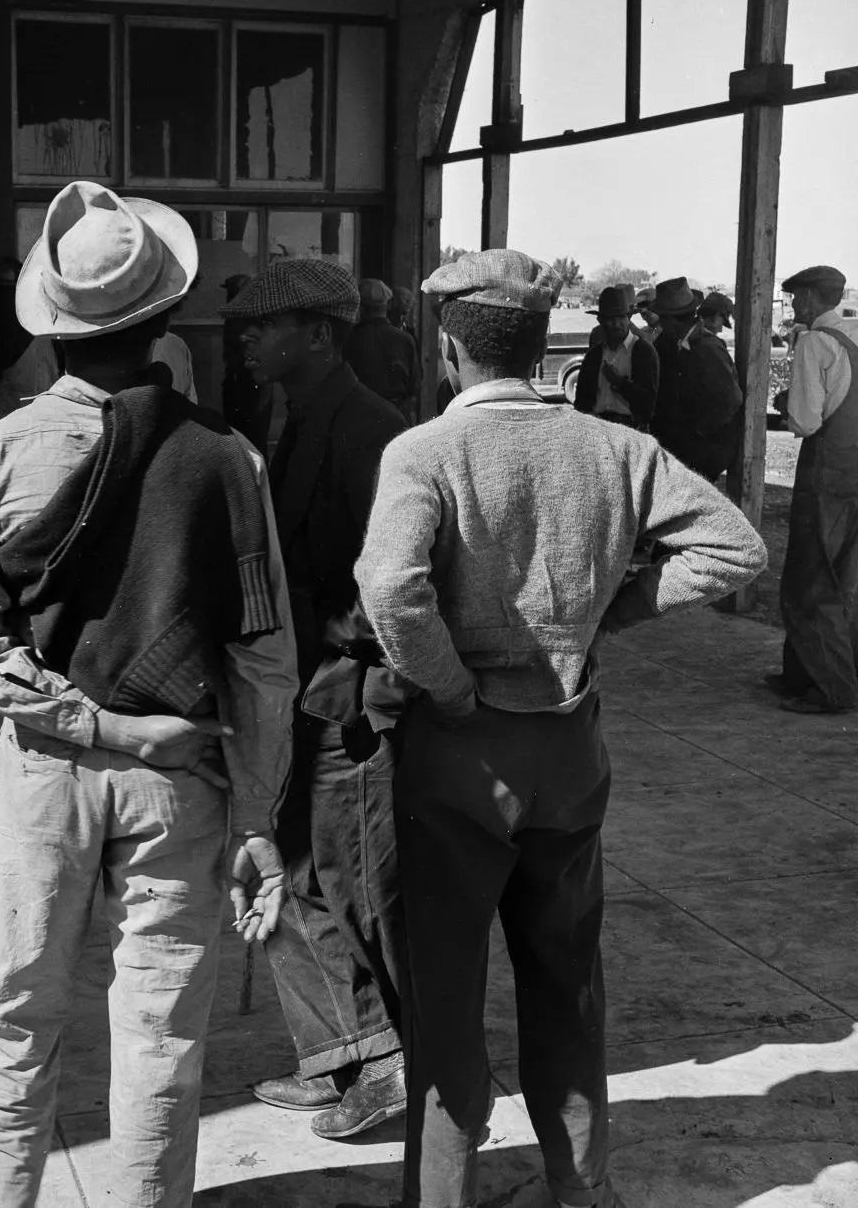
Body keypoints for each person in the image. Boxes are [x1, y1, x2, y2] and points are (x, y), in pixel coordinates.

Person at [354, 248, 767, 1208]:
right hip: (571, 744)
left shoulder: (425, 452)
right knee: (567, 978)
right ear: (545, 346)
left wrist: (449, 688)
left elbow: (389, 586)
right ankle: (580, 1189)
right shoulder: (614, 447)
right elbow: (734, 546)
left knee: (447, 995)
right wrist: (614, 614)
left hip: (462, 751)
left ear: (451, 346)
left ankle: (442, 1196)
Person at [0, 181, 298, 1208]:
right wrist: (260, 816)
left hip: (47, 773)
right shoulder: (229, 456)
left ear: (49, 329)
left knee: (13, 1021)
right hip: (182, 772)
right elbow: (265, 658)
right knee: (159, 1034)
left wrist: (89, 721)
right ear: (166, 319)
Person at [222, 259, 410, 1139]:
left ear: (320, 335)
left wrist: (351, 672)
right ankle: (339, 1054)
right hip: (299, 688)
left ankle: (397, 1063)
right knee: (291, 869)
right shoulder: (291, 416)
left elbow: (396, 584)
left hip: (349, 701)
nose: (249, 340)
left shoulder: (372, 431)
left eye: (267, 327)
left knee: (358, 885)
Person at [771, 264, 858, 714]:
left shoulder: (813, 344)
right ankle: (802, 674)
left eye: (795, 298)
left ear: (808, 299)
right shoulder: (853, 338)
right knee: (842, 580)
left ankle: (830, 690)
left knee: (809, 581)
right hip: (854, 475)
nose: (792, 306)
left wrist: (787, 403)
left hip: (823, 478)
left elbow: (805, 421)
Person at [649, 276, 742, 480]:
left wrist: (697, 433)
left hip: (703, 452)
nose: (661, 324)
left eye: (663, 318)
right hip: (689, 448)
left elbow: (730, 400)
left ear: (672, 320)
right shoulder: (680, 343)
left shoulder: (707, 348)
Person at [574, 285, 659, 429]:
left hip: (631, 430)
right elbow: (581, 400)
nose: (616, 324)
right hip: (597, 428)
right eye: (610, 319)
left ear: (629, 318)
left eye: (621, 318)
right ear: (600, 321)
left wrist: (619, 383)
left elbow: (649, 404)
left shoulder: (644, 352)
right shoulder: (594, 355)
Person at [344, 276, 421, 423]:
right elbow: (415, 385)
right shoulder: (404, 339)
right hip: (396, 416)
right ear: (388, 305)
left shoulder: (348, 338)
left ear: (360, 307)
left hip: (357, 418)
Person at [220, 272, 273, 454]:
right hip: (240, 384)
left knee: (253, 443)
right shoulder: (237, 318)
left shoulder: (250, 320)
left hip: (250, 386)